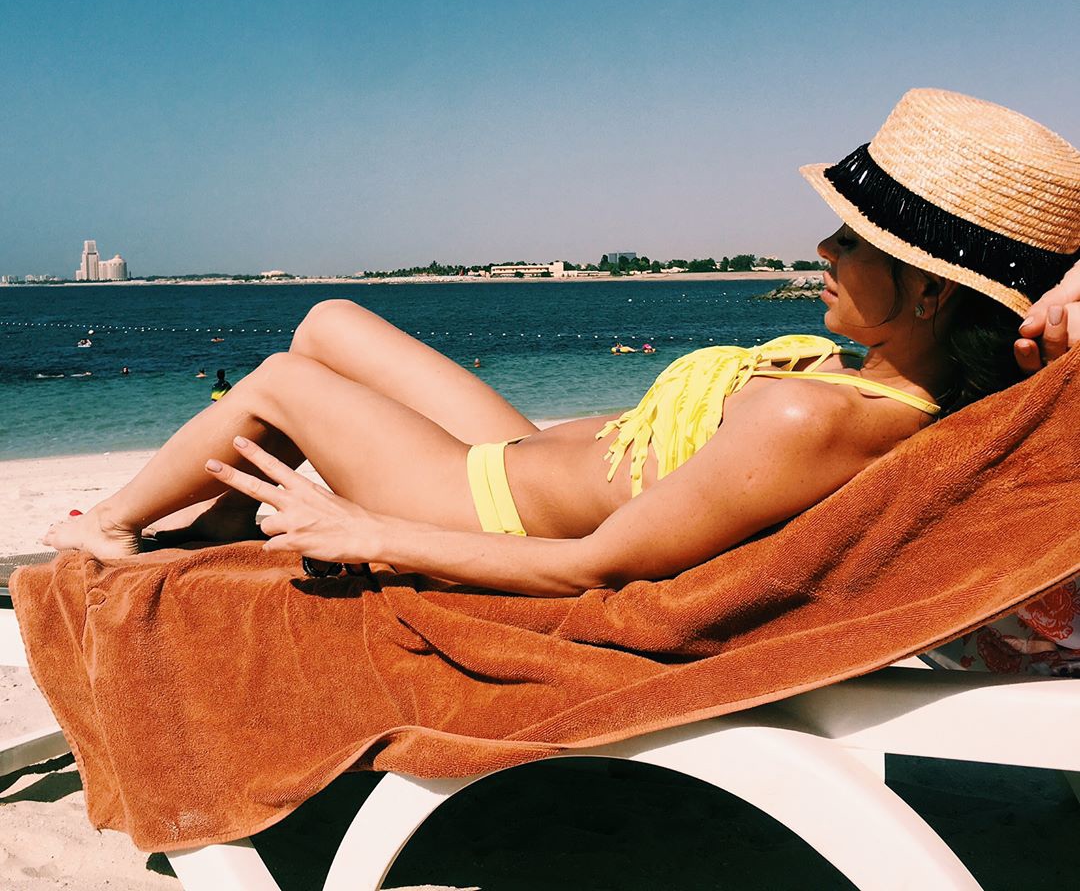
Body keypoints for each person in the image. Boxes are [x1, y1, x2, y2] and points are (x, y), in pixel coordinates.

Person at [43, 89, 1080, 599]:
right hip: (522, 455)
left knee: (282, 378)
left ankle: (113, 531)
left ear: (932, 293)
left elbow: (589, 566)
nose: (821, 248)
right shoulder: (872, 384)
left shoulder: (819, 415)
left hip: (481, 508)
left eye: (853, 240)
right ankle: (219, 521)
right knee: (330, 321)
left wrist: (365, 529)